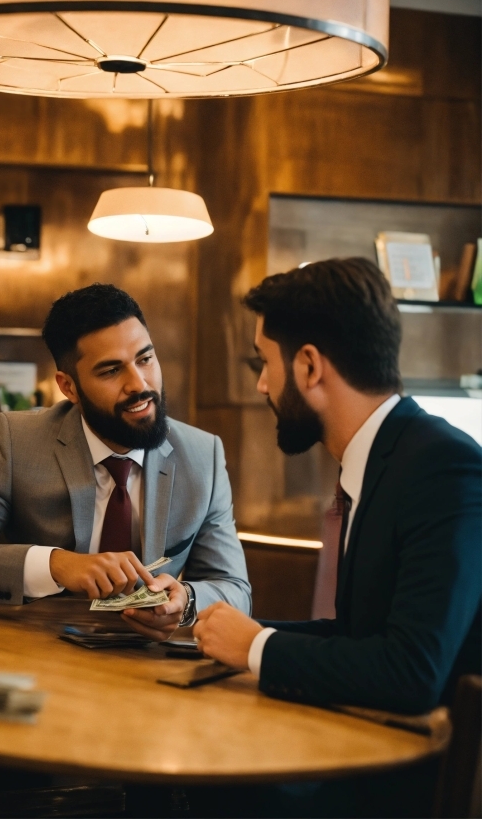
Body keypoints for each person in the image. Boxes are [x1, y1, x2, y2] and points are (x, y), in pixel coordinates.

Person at [194, 257, 481, 714]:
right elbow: (357, 637)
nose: (263, 385)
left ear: (309, 366)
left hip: (423, 771)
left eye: (264, 362)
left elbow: (413, 671)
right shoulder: (388, 455)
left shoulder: (445, 466)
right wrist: (205, 628)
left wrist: (256, 647)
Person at [0, 283, 250, 640]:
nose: (139, 384)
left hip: (151, 658)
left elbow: (234, 589)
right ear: (69, 387)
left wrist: (185, 601)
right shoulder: (16, 440)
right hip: (37, 647)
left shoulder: (204, 455)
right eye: (111, 371)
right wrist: (56, 564)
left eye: (145, 359)